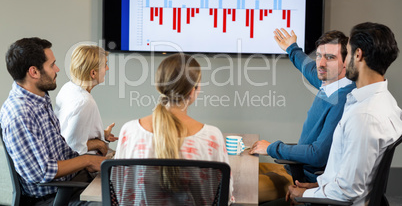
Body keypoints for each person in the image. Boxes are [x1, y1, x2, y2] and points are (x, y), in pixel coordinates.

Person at [287, 22, 402, 205]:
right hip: (331, 192)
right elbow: (351, 176)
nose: (343, 60)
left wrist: (303, 195)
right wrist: (315, 186)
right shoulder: (386, 102)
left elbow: (347, 191)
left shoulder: (364, 117)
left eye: (346, 53)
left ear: (358, 55)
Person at [249, 29, 355, 202]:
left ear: (346, 62)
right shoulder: (329, 82)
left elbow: (317, 155)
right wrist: (292, 48)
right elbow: (308, 67)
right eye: (319, 55)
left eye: (330, 57)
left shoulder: (342, 100)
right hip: (292, 168)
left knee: (237, 186)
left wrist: (271, 148)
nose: (321, 64)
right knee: (240, 169)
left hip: (303, 180)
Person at [113, 53, 234, 204]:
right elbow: (224, 196)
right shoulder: (211, 137)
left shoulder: (129, 132)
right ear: (192, 91)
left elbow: (119, 191)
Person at [0, 38, 105, 205]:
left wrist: (91, 160)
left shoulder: (39, 98)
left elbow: (62, 150)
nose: (57, 69)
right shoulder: (20, 113)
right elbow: (43, 171)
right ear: (34, 72)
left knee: (125, 187)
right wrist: (88, 160)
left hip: (71, 183)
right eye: (52, 65)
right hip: (55, 197)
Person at [55, 45, 118, 156]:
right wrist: (99, 144)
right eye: (105, 65)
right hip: (84, 167)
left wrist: (102, 135)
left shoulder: (68, 87)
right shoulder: (85, 102)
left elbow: (71, 131)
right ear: (93, 73)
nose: (107, 69)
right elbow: (73, 146)